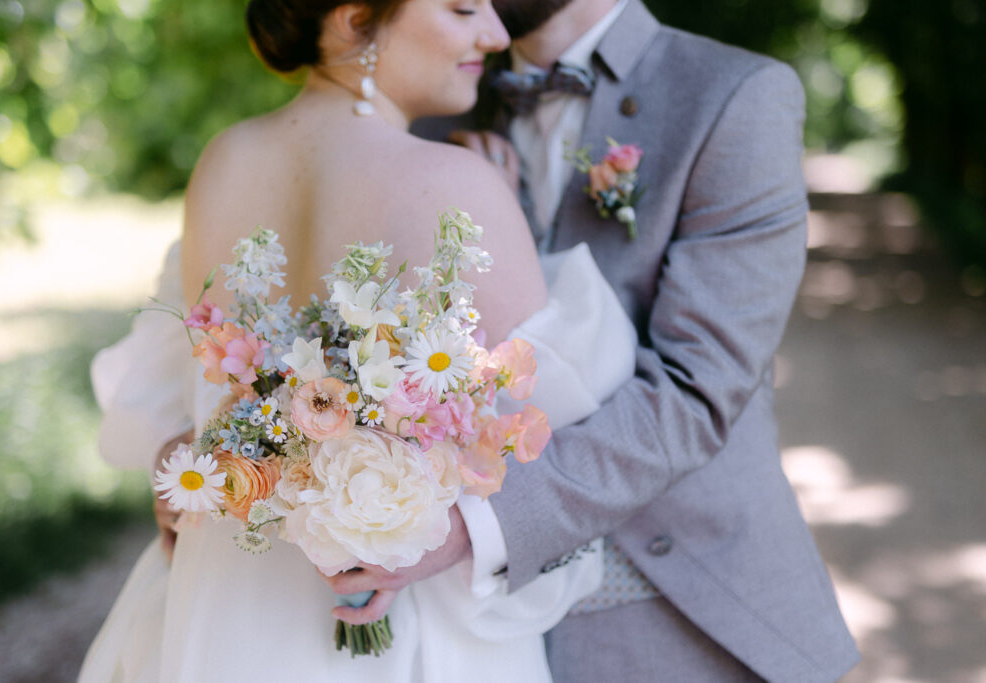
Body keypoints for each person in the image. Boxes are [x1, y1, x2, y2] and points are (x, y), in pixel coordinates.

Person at [79, 0, 639, 681]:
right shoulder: (463, 185)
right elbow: (560, 418)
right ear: (353, 19)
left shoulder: (222, 161)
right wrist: (511, 215)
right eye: (463, 7)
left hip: (226, 607)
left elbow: (183, 373)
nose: (494, 33)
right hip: (400, 618)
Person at [348, 0, 863, 680]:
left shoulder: (733, 96)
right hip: (467, 630)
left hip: (682, 598)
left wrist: (472, 527)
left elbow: (695, 390)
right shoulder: (429, 112)